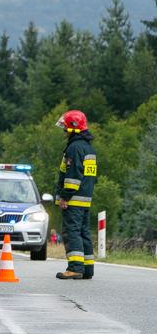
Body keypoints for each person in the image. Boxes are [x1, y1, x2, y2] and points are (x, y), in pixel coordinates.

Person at [54, 110, 97, 280]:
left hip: (74, 199)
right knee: (83, 232)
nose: (64, 131)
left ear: (74, 128)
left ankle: (75, 267)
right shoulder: (88, 147)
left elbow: (72, 177)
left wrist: (64, 196)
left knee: (72, 232)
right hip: (85, 199)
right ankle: (87, 268)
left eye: (65, 128)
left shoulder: (74, 147)